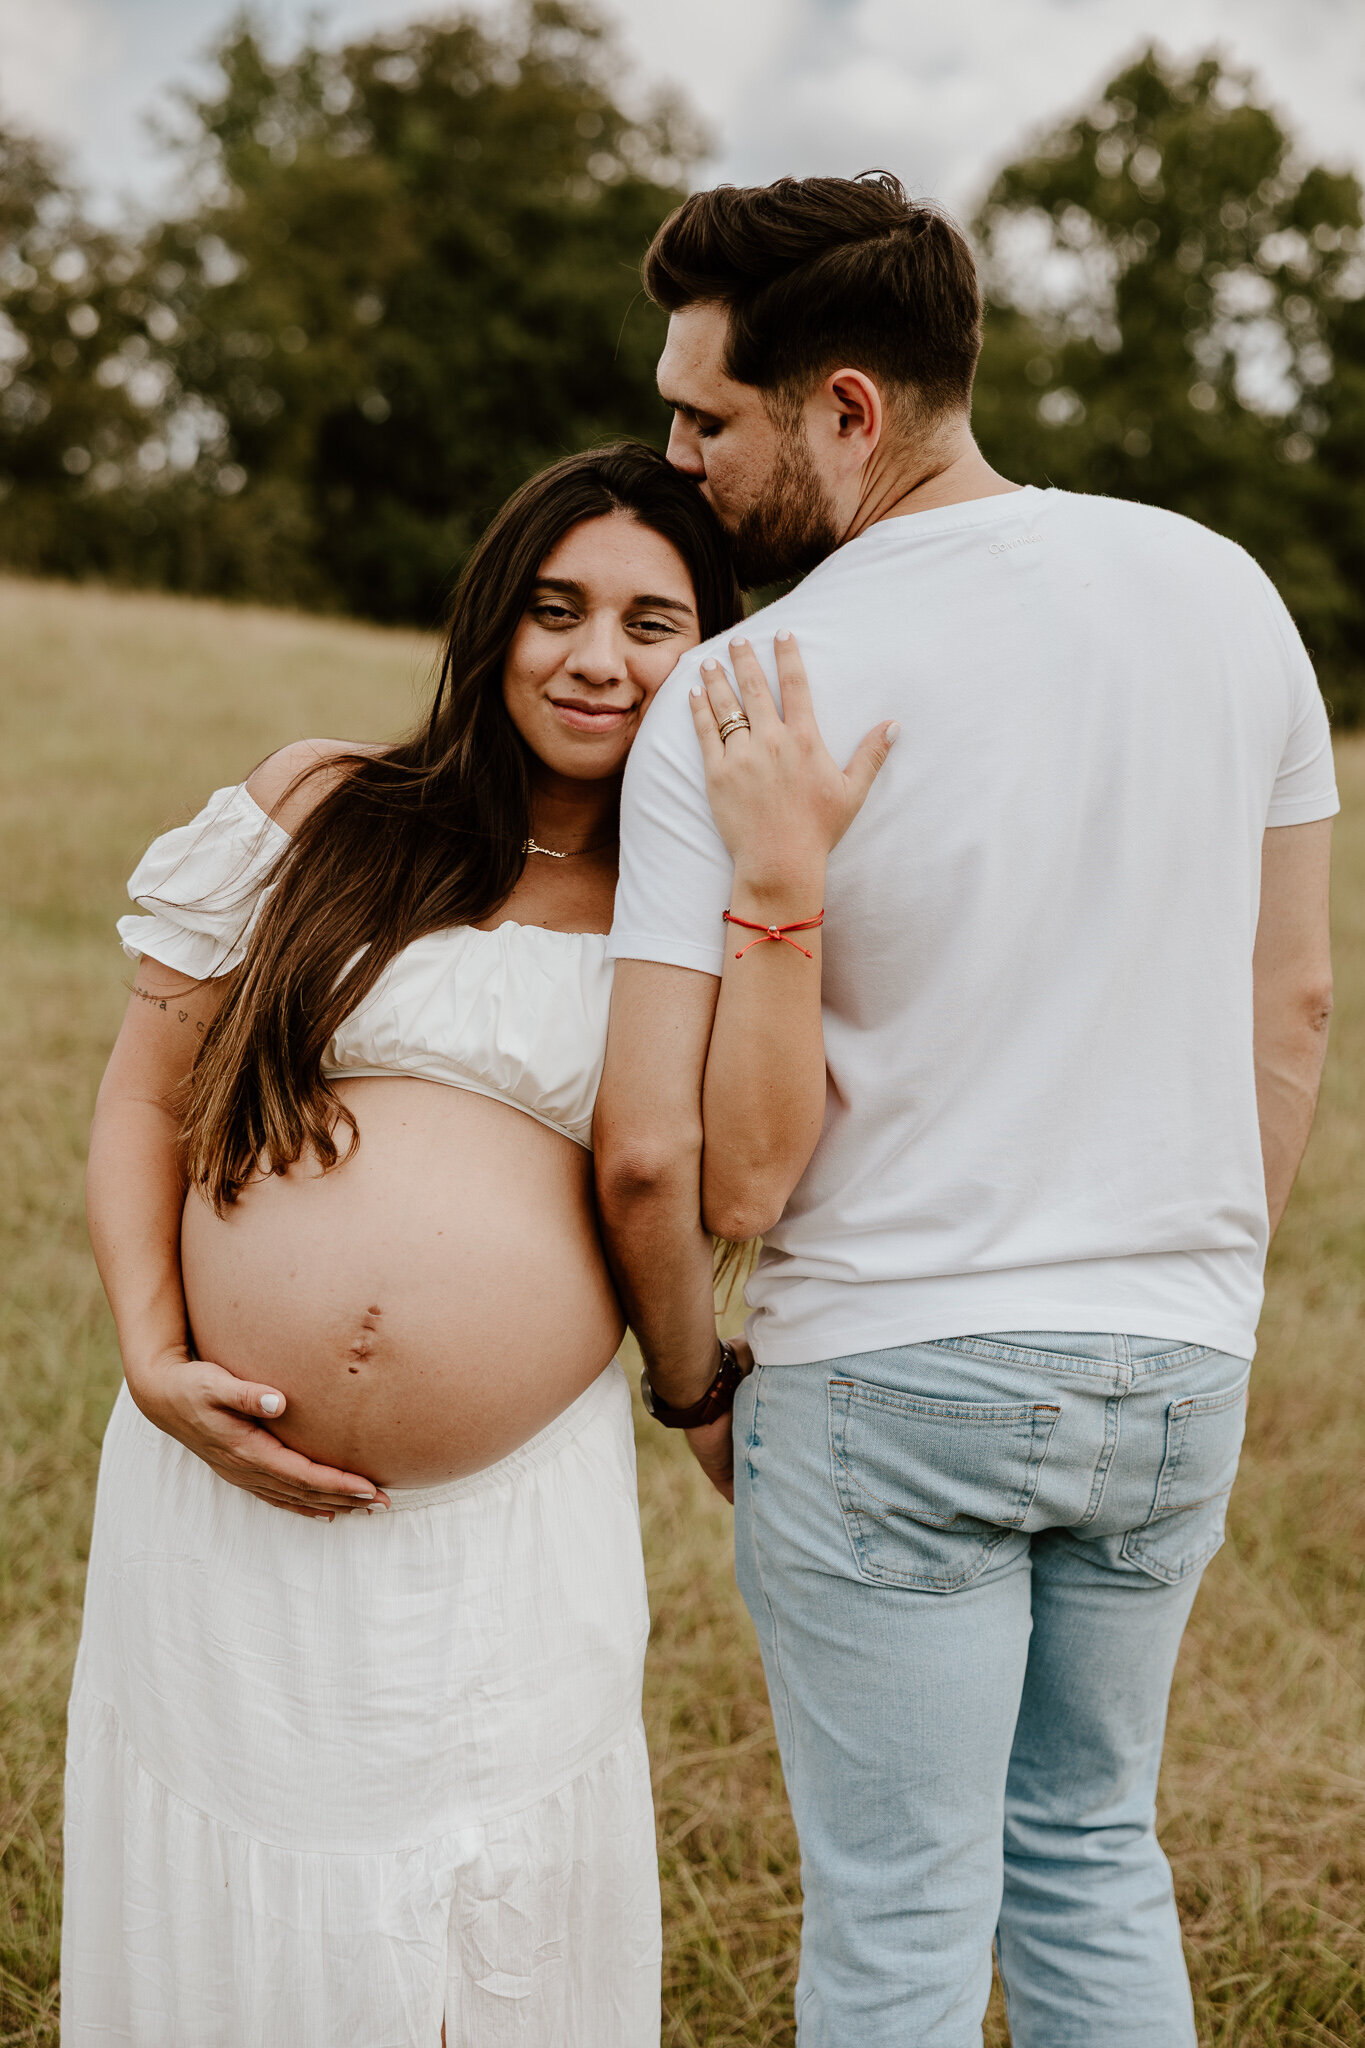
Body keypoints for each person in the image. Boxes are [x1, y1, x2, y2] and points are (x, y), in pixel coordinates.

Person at [595, 174, 1336, 2048]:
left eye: (708, 418)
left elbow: (690, 1162)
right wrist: (1188, 1284)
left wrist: (694, 1391)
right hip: (1172, 1367)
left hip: (890, 1378)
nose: (676, 459)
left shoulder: (745, 694)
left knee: (897, 1925)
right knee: (1093, 1850)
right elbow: (1296, 1003)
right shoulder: (1222, 591)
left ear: (846, 408)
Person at [65, 439, 892, 2046]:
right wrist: (154, 1357)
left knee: (478, 1917)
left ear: (707, 650)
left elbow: (747, 1182)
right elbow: (139, 1102)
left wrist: (778, 886)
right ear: (488, 623)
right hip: (215, 1499)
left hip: (503, 1527)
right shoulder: (326, 805)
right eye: (554, 608)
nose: (594, 659)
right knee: (238, 1910)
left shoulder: (701, 906)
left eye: (651, 624)